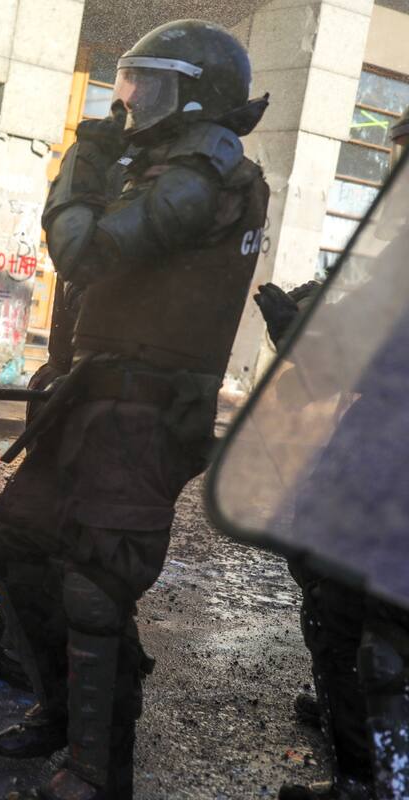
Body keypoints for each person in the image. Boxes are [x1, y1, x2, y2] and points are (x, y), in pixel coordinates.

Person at [0, 20, 271, 799]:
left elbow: (84, 252)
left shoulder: (206, 172)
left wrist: (81, 165)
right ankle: (62, 709)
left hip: (146, 416)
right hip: (95, 398)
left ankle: (97, 771)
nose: (131, 100)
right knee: (14, 540)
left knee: (96, 581)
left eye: (149, 84)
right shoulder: (168, 164)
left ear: (195, 96)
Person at [251, 106, 409, 800]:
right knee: (335, 587)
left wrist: (303, 333)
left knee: (364, 617)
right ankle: (360, 728)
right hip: (382, 439)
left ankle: (372, 773)